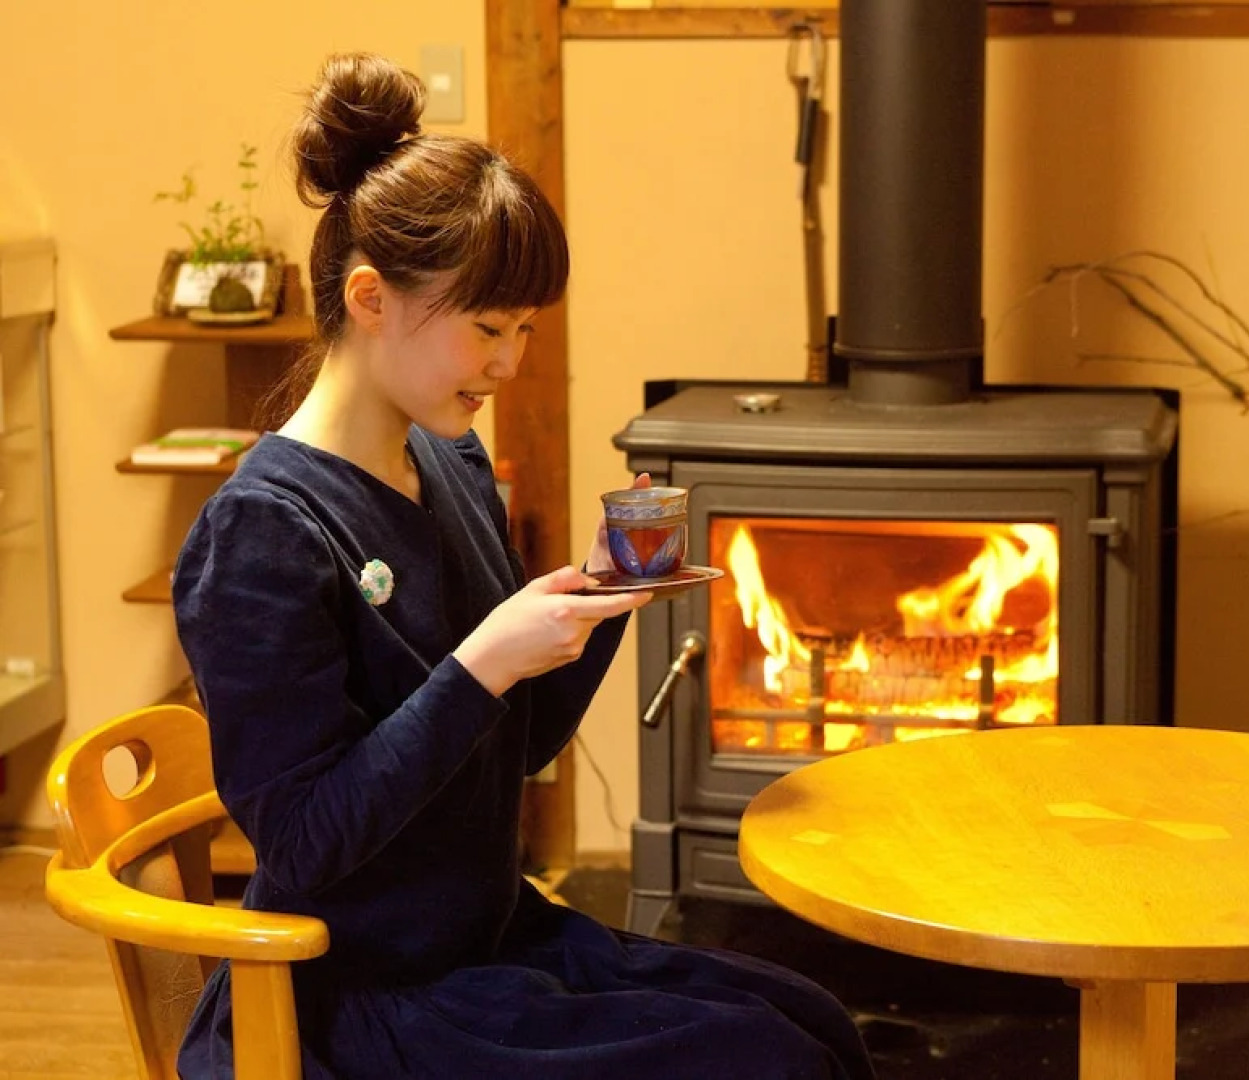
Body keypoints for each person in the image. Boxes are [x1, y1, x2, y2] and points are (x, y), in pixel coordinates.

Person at [171, 52, 875, 1080]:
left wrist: (602, 596)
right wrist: (482, 663)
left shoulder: (448, 463)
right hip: (361, 994)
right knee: (775, 1062)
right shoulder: (263, 531)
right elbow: (306, 843)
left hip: (490, 940)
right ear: (370, 298)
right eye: (488, 328)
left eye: (527, 330)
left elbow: (520, 743)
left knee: (814, 1021)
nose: (510, 362)